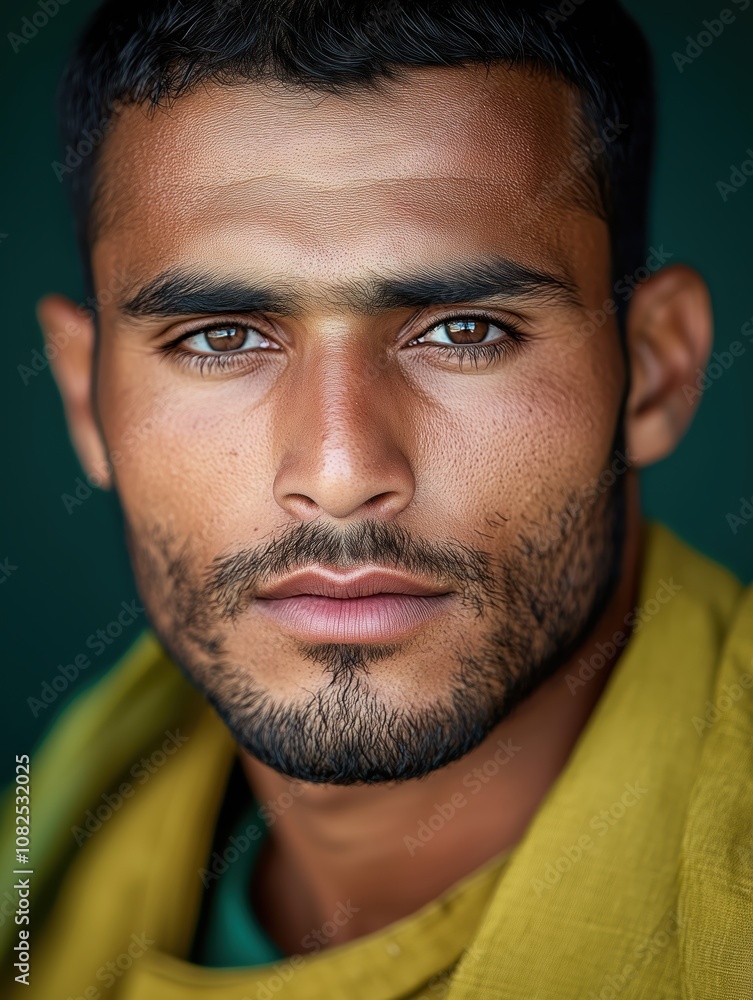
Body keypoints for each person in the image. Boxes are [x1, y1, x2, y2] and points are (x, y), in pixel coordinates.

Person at [1, 1, 751, 997]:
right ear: (86, 396)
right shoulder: (47, 858)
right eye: (222, 339)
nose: (344, 468)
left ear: (653, 372)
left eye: (465, 331)